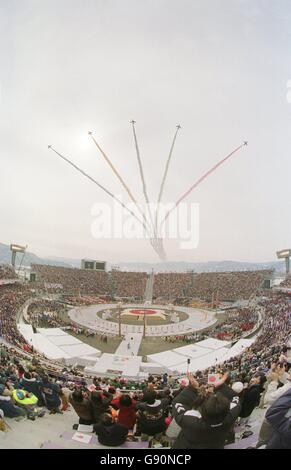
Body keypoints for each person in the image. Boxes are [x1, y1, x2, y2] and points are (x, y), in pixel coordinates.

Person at [172, 373, 241, 449]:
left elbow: (177, 402)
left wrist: (193, 388)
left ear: (202, 409)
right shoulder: (231, 416)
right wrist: (220, 386)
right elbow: (235, 397)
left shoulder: (190, 421)